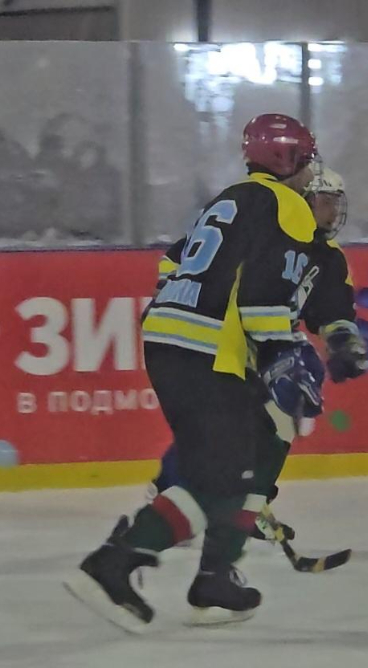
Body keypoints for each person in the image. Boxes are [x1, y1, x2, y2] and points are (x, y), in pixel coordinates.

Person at [65, 113, 324, 631]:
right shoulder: (289, 206)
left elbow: (171, 265)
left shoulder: (227, 200)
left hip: (168, 339)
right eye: (307, 160)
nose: (310, 171)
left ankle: (213, 580)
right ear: (290, 159)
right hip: (210, 349)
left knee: (229, 466)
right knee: (223, 476)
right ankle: (118, 561)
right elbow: (263, 294)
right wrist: (279, 353)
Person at [149, 167, 367, 542]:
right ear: (302, 201)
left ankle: (251, 501)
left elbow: (333, 312)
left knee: (280, 410)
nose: (332, 212)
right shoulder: (265, 232)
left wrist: (344, 342)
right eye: (324, 202)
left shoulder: (330, 259)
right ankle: (167, 494)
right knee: (215, 430)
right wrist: (177, 289)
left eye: (335, 203)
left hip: (265, 344)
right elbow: (178, 257)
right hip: (223, 340)